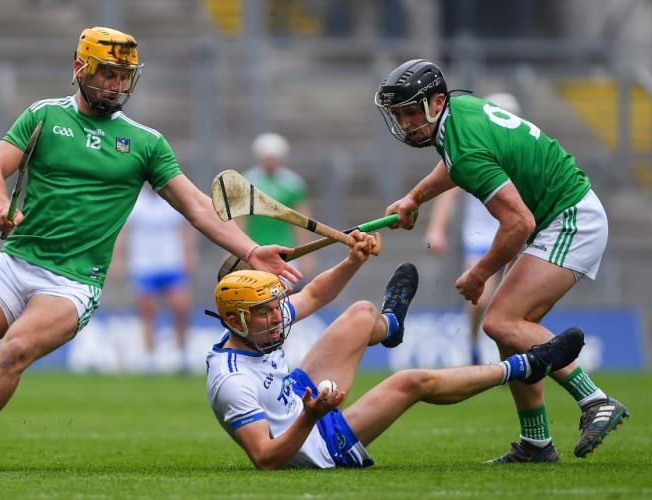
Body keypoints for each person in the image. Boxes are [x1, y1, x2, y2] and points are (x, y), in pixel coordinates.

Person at [0, 26, 302, 472]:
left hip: (74, 283)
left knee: (15, 350)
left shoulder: (146, 142)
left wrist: (250, 251)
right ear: (80, 69)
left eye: (124, 76)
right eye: (107, 74)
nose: (116, 85)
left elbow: (197, 207)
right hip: (16, 262)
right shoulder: (43, 116)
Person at [375, 59, 628, 462]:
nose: (405, 124)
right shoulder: (458, 113)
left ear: (437, 101)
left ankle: (594, 400)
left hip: (568, 219)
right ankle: (536, 443)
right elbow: (454, 164)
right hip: (555, 216)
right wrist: (415, 197)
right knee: (507, 330)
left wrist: (479, 274)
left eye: (411, 112)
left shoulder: (464, 142)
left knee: (501, 322)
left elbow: (518, 222)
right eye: (398, 115)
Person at [205, 232, 586, 469]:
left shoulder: (256, 327)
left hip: (297, 400)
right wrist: (309, 416)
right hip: (316, 445)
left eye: (276, 307)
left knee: (360, 314)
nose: (278, 318)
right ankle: (526, 365)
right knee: (410, 381)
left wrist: (353, 259)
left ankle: (391, 326)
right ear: (235, 321)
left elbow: (317, 294)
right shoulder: (231, 382)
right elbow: (267, 460)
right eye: (265, 314)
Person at [425, 93, 522, 365]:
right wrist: (436, 229)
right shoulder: (472, 150)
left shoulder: (520, 151)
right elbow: (449, 192)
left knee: (513, 301)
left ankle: (511, 359)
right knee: (482, 297)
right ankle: (474, 341)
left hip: (518, 231)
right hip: (480, 234)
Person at [112, 185, 196, 373]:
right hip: (144, 265)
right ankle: (150, 357)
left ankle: (182, 354)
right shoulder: (136, 201)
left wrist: (189, 255)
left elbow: (184, 230)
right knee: (148, 312)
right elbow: (122, 231)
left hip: (171, 263)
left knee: (180, 308)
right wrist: (118, 258)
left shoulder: (172, 200)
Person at [243, 133, 315, 277]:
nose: (270, 161)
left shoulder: (293, 183)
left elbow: (301, 220)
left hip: (285, 249)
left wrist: (306, 254)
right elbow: (240, 219)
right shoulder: (247, 181)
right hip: (254, 249)